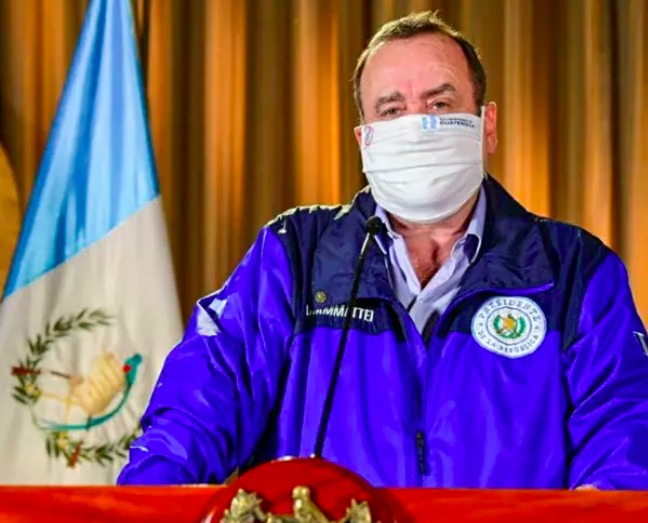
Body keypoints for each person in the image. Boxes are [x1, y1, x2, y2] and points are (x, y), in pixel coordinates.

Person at [118, 11, 648, 489]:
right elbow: (195, 410)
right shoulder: (295, 257)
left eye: (440, 104)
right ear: (365, 139)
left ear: (486, 125)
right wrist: (152, 501)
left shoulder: (575, 270)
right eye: (392, 110)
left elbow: (626, 441)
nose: (416, 127)